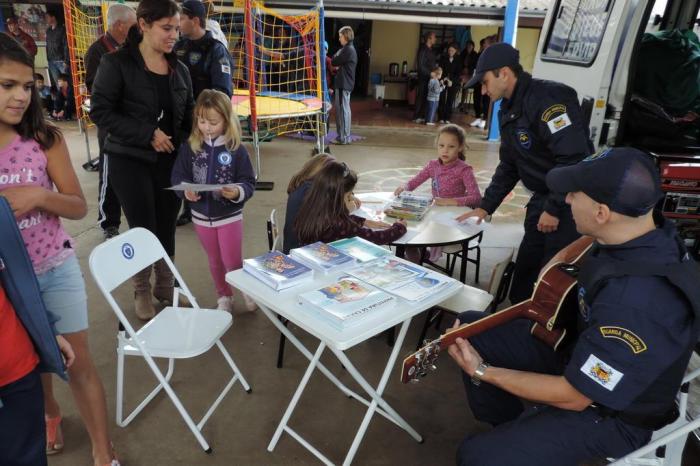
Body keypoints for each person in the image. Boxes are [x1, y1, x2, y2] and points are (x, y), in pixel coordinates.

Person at [448, 147, 700, 466]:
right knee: (472, 329)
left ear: (601, 213)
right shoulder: (645, 230)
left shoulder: (635, 304)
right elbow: (592, 243)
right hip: (582, 352)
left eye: (574, 194)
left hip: (613, 414)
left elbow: (577, 396)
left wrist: (482, 371)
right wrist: (558, 261)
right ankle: (509, 428)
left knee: (475, 456)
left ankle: (512, 444)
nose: (566, 200)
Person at [0, 34, 119, 466]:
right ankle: (49, 414)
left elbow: (78, 204)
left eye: (27, 86)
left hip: (53, 267)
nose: (19, 96)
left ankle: (103, 451)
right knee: (30, 366)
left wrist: (39, 197)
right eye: (6, 85)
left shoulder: (43, 139)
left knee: (77, 362)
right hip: (7, 289)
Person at [457, 42, 591, 303]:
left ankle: (545, 334)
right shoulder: (507, 109)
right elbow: (509, 164)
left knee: (554, 275)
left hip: (569, 201)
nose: (483, 91)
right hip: (544, 198)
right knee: (526, 270)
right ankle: (519, 321)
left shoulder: (550, 100)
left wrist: (553, 208)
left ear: (504, 73)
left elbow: (573, 158)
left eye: (485, 82)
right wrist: (486, 207)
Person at [91, 0, 194, 321]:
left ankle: (166, 286)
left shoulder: (180, 69)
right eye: (167, 28)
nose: (174, 35)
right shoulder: (116, 63)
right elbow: (101, 112)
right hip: (129, 159)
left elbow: (187, 114)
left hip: (170, 161)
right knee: (143, 227)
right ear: (144, 24)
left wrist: (199, 149)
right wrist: (147, 133)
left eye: (177, 28)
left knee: (166, 223)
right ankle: (141, 290)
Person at [171, 90, 256, 313]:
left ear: (227, 120)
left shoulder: (236, 149)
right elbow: (178, 176)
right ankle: (224, 297)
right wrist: (186, 190)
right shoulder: (190, 147)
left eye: (213, 122)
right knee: (215, 261)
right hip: (200, 217)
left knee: (232, 261)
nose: (207, 127)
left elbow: (248, 182)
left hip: (229, 216)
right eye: (201, 121)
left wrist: (237, 191)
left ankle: (246, 287)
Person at [174, 0, 233, 227]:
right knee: (186, 164)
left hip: (205, 121)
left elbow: (223, 93)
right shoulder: (179, 47)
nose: (178, 23)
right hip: (182, 119)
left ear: (195, 20)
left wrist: (207, 119)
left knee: (207, 165)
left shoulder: (215, 50)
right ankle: (189, 207)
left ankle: (210, 206)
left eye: (182, 18)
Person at [84, 3, 136, 241]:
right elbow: (99, 92)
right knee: (110, 174)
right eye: (133, 25)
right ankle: (108, 222)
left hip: (132, 122)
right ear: (119, 25)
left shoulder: (131, 48)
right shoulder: (97, 52)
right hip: (111, 124)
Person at [395, 124, 482, 262]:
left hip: (453, 218)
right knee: (405, 230)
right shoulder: (432, 165)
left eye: (451, 146)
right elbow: (415, 181)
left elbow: (476, 198)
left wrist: (449, 201)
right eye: (441, 145)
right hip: (434, 213)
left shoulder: (464, 169)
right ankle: (418, 258)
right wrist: (404, 187)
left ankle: (420, 259)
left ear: (460, 147)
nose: (445, 150)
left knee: (421, 234)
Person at [296, 160, 407, 246]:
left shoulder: (311, 208)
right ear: (337, 198)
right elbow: (376, 238)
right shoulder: (340, 225)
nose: (351, 199)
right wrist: (399, 227)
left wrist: (362, 221)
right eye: (349, 196)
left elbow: (338, 219)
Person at [283, 152, 334, 254]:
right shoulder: (311, 192)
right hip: (301, 251)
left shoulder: (301, 184)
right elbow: (331, 219)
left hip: (292, 246)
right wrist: (347, 208)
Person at [331, 26, 357, 145]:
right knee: (344, 109)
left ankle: (343, 137)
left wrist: (336, 56)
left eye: (340, 36)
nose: (339, 39)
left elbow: (334, 61)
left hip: (343, 84)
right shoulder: (348, 49)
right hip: (345, 83)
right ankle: (344, 136)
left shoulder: (347, 50)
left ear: (346, 36)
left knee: (342, 110)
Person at [412, 31, 437, 124]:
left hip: (430, 78)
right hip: (423, 77)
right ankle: (416, 116)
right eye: (434, 37)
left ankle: (422, 115)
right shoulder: (423, 49)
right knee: (421, 96)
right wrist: (430, 73)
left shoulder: (431, 50)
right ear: (429, 38)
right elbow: (421, 65)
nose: (435, 39)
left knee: (427, 96)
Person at [45, 10, 70, 93]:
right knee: (58, 83)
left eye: (47, 17)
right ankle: (61, 101)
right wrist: (48, 59)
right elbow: (47, 45)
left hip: (61, 61)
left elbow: (66, 46)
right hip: (51, 61)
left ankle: (70, 99)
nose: (46, 19)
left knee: (66, 82)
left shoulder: (62, 29)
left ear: (53, 17)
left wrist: (66, 61)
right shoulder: (48, 31)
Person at [438, 43, 461, 124]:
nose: (450, 52)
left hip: (453, 82)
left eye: (452, 50)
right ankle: (440, 117)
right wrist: (441, 78)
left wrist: (452, 81)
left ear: (456, 51)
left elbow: (458, 74)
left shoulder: (458, 59)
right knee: (442, 98)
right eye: (449, 50)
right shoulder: (443, 57)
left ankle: (447, 117)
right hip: (443, 80)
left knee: (450, 100)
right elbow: (440, 69)